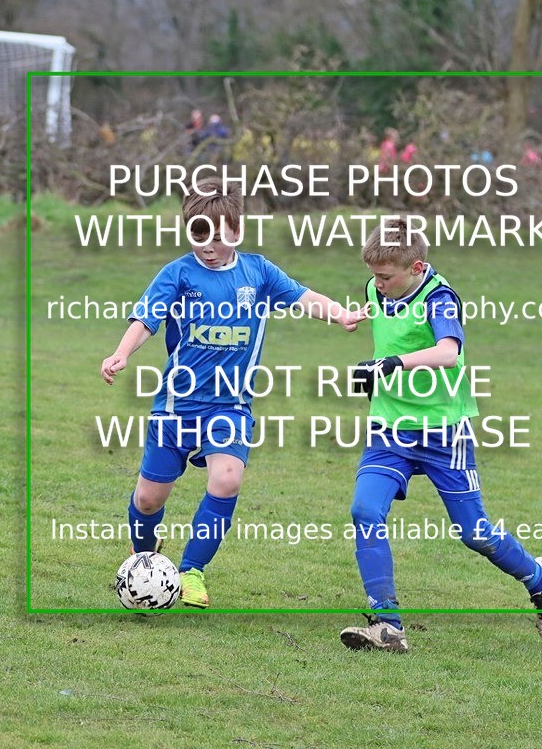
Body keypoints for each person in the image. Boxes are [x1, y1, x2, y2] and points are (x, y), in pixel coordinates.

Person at [100, 177, 363, 608]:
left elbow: (302, 296)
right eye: (199, 232)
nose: (209, 243)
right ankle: (144, 557)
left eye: (219, 234)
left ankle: (191, 572)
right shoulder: (178, 274)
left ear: (237, 230)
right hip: (175, 407)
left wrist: (339, 314)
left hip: (230, 406)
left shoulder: (257, 272)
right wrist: (121, 353)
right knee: (148, 500)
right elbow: (147, 319)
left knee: (226, 479)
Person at [339, 217, 542, 652]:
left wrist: (392, 364)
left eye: (386, 276)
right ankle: (387, 625)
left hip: (445, 433)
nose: (377, 284)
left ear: (417, 267)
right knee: (365, 511)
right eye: (374, 276)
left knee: (473, 531)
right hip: (390, 429)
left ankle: (541, 580)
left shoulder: (439, 297)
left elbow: (447, 351)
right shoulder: (377, 290)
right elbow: (386, 326)